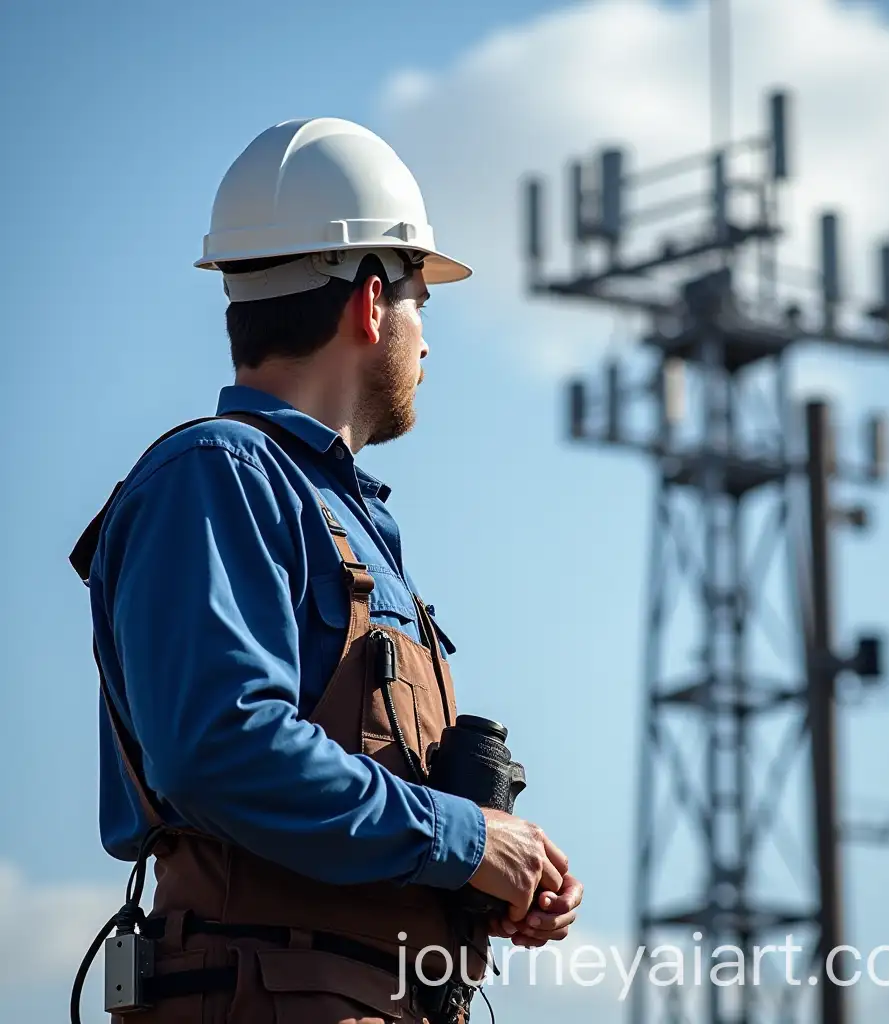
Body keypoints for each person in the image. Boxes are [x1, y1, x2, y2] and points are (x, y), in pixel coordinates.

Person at [70, 117, 583, 1024]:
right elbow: (219, 745)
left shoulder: (339, 515)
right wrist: (466, 839)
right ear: (373, 301)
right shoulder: (220, 471)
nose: (427, 344)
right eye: (425, 301)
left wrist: (492, 870)